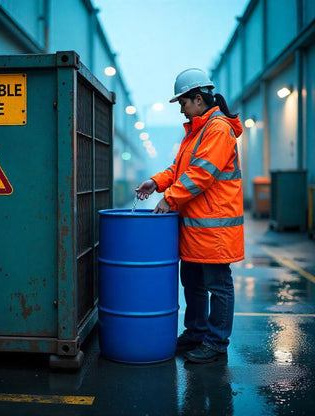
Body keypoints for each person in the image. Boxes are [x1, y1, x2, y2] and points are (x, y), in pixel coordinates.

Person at [136, 68, 244, 364]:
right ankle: (196, 333)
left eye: (183, 103)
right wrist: (156, 182)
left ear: (198, 99)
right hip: (196, 228)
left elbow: (201, 174)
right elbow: (178, 169)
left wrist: (168, 199)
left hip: (215, 227)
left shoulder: (218, 129)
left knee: (218, 286)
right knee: (193, 284)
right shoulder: (196, 131)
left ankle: (216, 342)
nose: (181, 110)